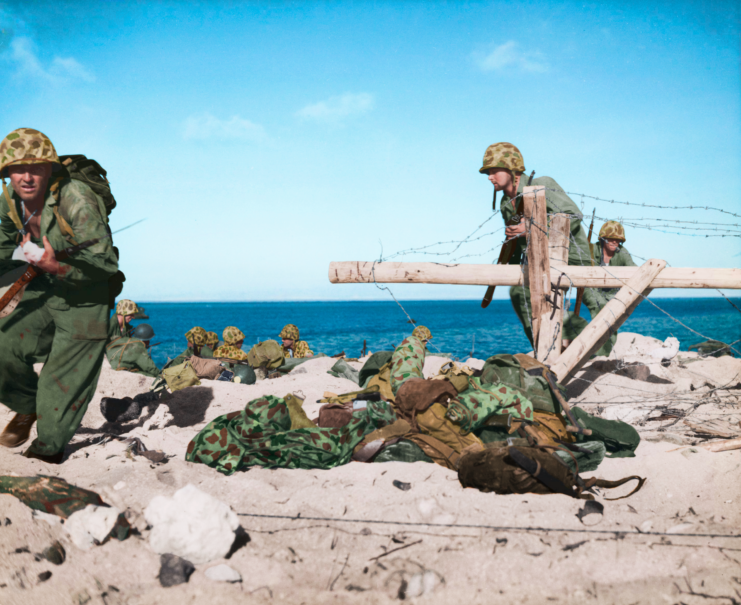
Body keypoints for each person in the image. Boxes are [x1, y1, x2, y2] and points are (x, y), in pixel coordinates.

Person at [0, 128, 119, 462]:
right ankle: (26, 407)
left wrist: (57, 266)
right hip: (44, 285)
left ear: (49, 169)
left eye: (35, 167)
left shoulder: (77, 198)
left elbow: (106, 263)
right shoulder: (9, 198)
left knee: (61, 380)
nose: (25, 177)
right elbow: (1, 242)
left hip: (88, 293)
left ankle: (47, 447)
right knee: (4, 343)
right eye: (16, 168)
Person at [480, 142, 597, 345]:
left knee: (597, 307)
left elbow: (573, 215)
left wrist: (533, 227)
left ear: (511, 168)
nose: (490, 177)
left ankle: (574, 339)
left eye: (494, 171)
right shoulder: (505, 203)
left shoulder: (540, 184)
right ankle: (543, 345)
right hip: (538, 263)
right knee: (519, 292)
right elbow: (520, 245)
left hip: (571, 258)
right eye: (488, 172)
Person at [580, 221, 637, 355]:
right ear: (602, 238)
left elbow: (634, 270)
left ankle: (603, 355)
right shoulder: (591, 250)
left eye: (618, 240)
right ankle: (594, 353)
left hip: (612, 292)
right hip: (591, 289)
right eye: (611, 238)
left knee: (612, 316)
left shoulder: (622, 252)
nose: (615, 242)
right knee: (600, 308)